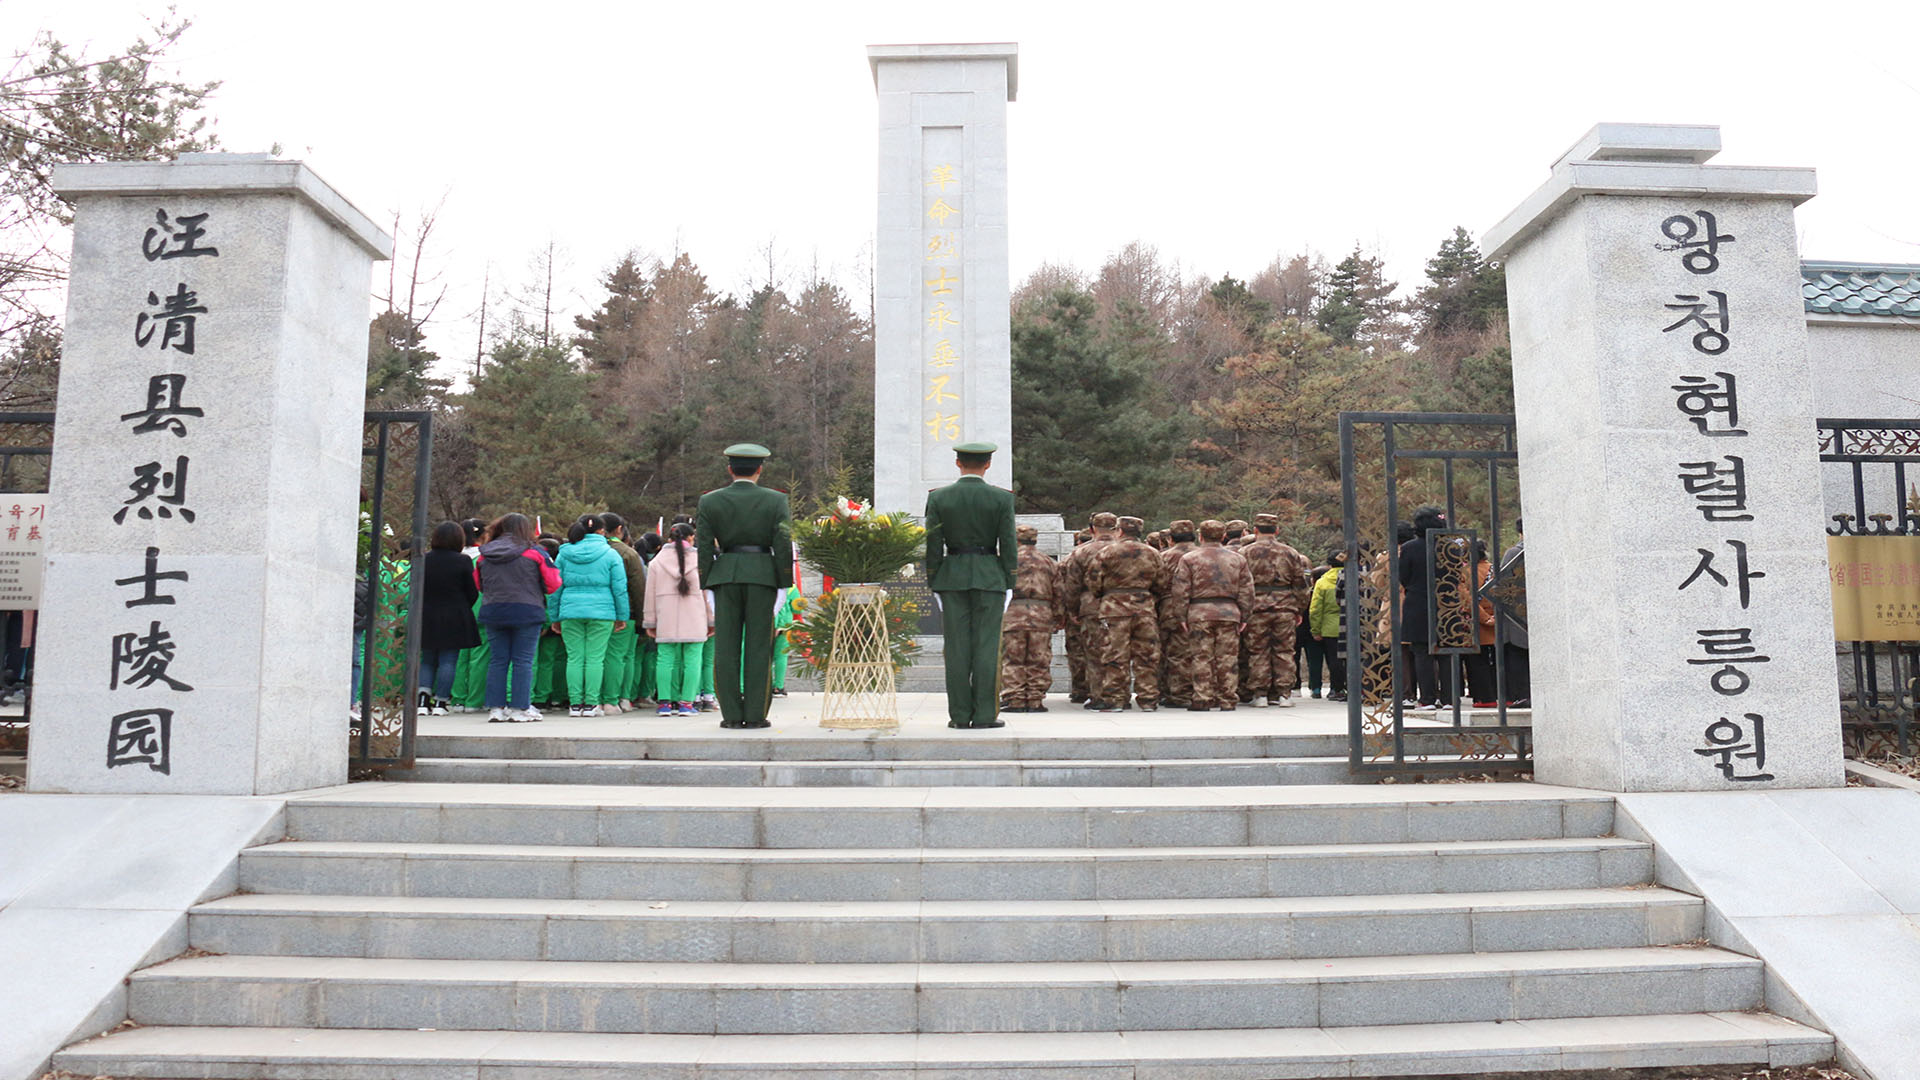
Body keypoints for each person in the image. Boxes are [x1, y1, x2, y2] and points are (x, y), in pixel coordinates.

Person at [696, 444, 793, 729]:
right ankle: (755, 714)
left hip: (725, 575)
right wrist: (783, 581)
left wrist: (708, 582)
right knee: (759, 646)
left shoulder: (710, 501)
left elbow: (703, 546)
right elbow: (783, 544)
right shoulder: (776, 500)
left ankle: (731, 714)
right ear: (760, 469)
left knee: (726, 647)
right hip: (763, 574)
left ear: (730, 469)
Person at [924, 441, 1019, 729]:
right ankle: (985, 715)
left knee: (955, 649)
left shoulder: (939, 498)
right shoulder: (1001, 499)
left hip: (952, 577)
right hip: (990, 577)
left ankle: (959, 715)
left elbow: (932, 544)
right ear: (988, 464)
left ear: (958, 463)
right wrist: (1009, 579)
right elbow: (1009, 543)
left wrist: (934, 579)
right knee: (988, 647)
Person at [475, 513, 561, 723]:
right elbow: (553, 583)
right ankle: (520, 707)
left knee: (498, 660)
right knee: (523, 660)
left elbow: (479, 585)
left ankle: (496, 707)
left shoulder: (483, 555)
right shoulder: (536, 553)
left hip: (494, 609)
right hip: (527, 610)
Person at [1168, 519, 1254, 711]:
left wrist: (1181, 616)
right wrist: (1245, 616)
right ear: (1223, 536)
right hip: (1229, 612)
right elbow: (1247, 590)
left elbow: (1180, 590)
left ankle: (1203, 697)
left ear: (1200, 536)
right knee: (1228, 658)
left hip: (1199, 612)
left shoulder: (1189, 559)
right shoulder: (1237, 559)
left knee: (1201, 656)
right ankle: (1228, 698)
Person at [1087, 515, 1168, 712]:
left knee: (1115, 655)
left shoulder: (1106, 552)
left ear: (1119, 531)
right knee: (1147, 656)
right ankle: (1148, 699)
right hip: (1145, 609)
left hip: (1114, 609)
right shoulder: (1153, 553)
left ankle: (1116, 699)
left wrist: (1107, 594)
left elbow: (1094, 582)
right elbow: (1161, 583)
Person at [553, 515, 631, 717]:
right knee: (596, 658)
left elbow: (555, 589)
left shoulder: (564, 554)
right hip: (602, 612)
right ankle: (591, 704)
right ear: (601, 531)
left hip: (570, 610)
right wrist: (622, 616)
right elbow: (620, 589)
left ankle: (575, 704)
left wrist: (554, 616)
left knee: (575, 658)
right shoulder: (611, 554)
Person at [1241, 513, 1313, 708]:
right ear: (1277, 530)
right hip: (1285, 607)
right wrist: (1299, 609)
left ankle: (1260, 694)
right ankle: (1284, 694)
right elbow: (1300, 583)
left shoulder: (1245, 553)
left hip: (1256, 607)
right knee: (1284, 650)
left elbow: (1241, 584)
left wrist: (1243, 609)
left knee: (1257, 650)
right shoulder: (1290, 553)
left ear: (1255, 530)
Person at [645, 521, 713, 716]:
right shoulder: (701, 560)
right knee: (692, 661)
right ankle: (687, 704)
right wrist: (711, 620)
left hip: (665, 616)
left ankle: (665, 703)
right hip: (695, 616)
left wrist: (650, 621)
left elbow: (649, 595)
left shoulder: (656, 562)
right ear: (691, 538)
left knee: (665, 660)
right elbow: (708, 594)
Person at [415, 520, 481, 716]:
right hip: (454, 613)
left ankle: (422, 701)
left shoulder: (423, 558)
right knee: (448, 660)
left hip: (426, 613)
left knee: (427, 659)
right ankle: (440, 702)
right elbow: (472, 591)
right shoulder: (462, 561)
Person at [999, 523, 1061, 713]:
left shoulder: (1007, 560)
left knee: (1012, 658)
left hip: (1013, 615)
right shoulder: (1049, 562)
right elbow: (1060, 591)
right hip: (1041, 615)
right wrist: (1058, 617)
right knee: (1039, 658)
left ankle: (1015, 698)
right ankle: (1035, 699)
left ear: (1016, 539)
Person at [1061, 513, 1118, 706]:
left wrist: (1073, 610)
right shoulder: (1131, 549)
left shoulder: (1081, 552)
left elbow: (1072, 585)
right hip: (1125, 606)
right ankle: (1120, 696)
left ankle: (1100, 696)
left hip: (1092, 606)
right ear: (1117, 528)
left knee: (1094, 653)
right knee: (1121, 652)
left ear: (1093, 529)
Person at [1397, 508, 1446, 707]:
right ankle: (1449, 698)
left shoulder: (1409, 548)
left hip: (1417, 603)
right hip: (1446, 603)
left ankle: (1427, 698)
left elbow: (1403, 577)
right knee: (1447, 650)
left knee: (1421, 652)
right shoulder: (1448, 546)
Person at [599, 513, 648, 712]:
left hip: (594, 612)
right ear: (619, 529)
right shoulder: (627, 553)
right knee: (623, 657)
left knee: (594, 657)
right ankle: (620, 699)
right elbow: (638, 587)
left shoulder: (576, 550)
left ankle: (592, 698)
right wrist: (642, 618)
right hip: (624, 611)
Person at [1158, 519, 1198, 708]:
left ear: (1171, 538)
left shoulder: (1164, 557)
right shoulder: (1201, 555)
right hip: (1199, 607)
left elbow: (1156, 584)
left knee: (1172, 653)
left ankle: (1175, 693)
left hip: (1169, 607)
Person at [1307, 548, 1350, 701]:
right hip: (1351, 625)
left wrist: (1315, 630)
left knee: (1334, 660)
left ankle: (1336, 688)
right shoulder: (1352, 578)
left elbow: (1316, 609)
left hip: (1330, 627)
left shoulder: (1322, 582)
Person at [771, 584, 800, 697]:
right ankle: (779, 687)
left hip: (766, 626)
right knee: (781, 657)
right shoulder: (791, 588)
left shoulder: (766, 584)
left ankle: (765, 685)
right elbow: (797, 609)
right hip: (784, 627)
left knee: (765, 657)